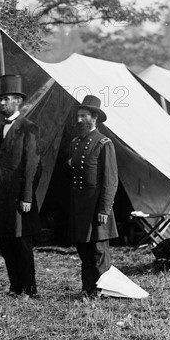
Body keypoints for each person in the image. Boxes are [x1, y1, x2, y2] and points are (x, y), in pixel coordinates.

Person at [0, 74, 40, 299]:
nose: (1, 103)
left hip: (20, 199)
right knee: (6, 243)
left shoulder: (29, 128)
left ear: (18, 101)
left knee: (21, 245)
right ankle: (15, 286)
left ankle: (29, 289)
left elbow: (31, 165)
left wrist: (26, 196)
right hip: (1, 198)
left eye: (6, 99)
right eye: (0, 99)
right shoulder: (0, 128)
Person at [67, 95, 118, 299]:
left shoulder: (104, 143)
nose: (79, 120)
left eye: (84, 116)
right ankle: (88, 289)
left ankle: (103, 290)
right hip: (81, 206)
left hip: (96, 206)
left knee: (98, 252)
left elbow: (110, 180)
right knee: (84, 250)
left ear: (94, 117)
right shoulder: (76, 143)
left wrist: (104, 209)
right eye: (78, 115)